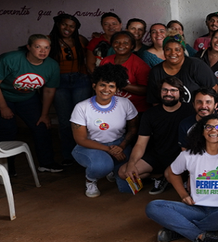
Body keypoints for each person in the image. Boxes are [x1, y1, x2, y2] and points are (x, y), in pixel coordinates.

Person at [145, 113, 218, 242]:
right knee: (153, 206)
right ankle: (202, 235)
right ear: (201, 131)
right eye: (208, 127)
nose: (213, 130)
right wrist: (183, 195)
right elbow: (172, 172)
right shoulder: (189, 155)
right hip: (195, 208)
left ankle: (179, 231)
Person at [70, 64, 138, 197]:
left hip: (119, 144)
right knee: (102, 166)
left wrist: (122, 146)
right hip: (90, 146)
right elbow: (80, 139)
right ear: (94, 85)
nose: (106, 89)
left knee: (128, 187)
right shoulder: (81, 107)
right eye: (102, 85)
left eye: (111, 86)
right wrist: (109, 150)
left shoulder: (125, 104)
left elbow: (133, 129)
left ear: (117, 89)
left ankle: (112, 168)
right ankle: (91, 179)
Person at [118, 77, 194, 195]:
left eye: (173, 90)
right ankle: (160, 176)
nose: (168, 94)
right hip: (158, 155)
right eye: (165, 90)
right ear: (160, 92)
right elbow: (140, 144)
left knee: (171, 176)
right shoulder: (150, 114)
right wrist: (131, 164)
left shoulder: (191, 111)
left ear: (180, 93)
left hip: (180, 157)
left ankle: (171, 176)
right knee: (124, 172)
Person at [0, 34, 63, 173]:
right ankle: (7, 168)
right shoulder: (10, 59)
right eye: (38, 47)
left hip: (27, 98)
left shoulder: (52, 65)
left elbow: (48, 91)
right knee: (8, 130)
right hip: (4, 97)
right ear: (28, 47)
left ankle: (46, 163)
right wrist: (3, 107)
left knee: (42, 126)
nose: (43, 51)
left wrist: (45, 114)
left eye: (46, 47)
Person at [48, 13, 93, 164]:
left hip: (81, 80)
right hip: (59, 82)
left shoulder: (80, 40)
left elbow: (93, 52)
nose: (67, 28)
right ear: (58, 24)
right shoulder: (49, 41)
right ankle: (69, 155)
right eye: (64, 25)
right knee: (65, 120)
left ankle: (85, 153)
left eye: (71, 26)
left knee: (82, 119)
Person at [146, 37, 218, 105]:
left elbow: (213, 88)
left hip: (195, 113)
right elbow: (155, 101)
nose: (173, 53)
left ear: (183, 51)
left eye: (177, 49)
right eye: (168, 49)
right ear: (163, 51)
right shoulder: (156, 71)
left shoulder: (196, 65)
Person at [100, 31, 150, 113]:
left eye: (126, 43)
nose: (120, 45)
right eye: (117, 42)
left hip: (135, 109)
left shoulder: (140, 65)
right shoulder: (106, 61)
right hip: (110, 107)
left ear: (132, 46)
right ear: (112, 44)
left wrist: (121, 84)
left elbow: (146, 90)